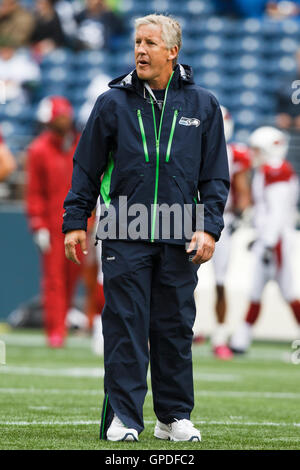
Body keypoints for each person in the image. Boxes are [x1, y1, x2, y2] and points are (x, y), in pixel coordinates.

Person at [63, 14, 229, 442]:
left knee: (174, 329)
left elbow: (214, 177)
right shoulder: (111, 102)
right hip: (123, 228)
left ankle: (172, 417)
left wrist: (209, 228)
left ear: (172, 51)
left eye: (151, 43)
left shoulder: (203, 105)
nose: (140, 49)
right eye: (138, 41)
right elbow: (85, 167)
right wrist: (74, 221)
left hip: (180, 231)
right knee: (125, 324)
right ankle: (125, 417)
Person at [230, 126, 300, 354]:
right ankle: (241, 340)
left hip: (276, 240)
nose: (254, 153)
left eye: (258, 149)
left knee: (287, 292)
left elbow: (277, 213)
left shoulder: (277, 170)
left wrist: (268, 243)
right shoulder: (267, 170)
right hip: (269, 239)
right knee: (257, 292)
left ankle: (241, 339)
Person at [26, 96, 82, 348]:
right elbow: (34, 191)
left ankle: (68, 322)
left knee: (73, 277)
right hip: (52, 224)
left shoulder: (79, 145)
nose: (65, 119)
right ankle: (56, 330)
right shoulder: (38, 150)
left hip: (80, 222)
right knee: (54, 279)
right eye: (60, 116)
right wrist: (37, 223)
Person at [210, 106, 251, 360]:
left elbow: (243, 192)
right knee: (176, 279)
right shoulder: (191, 146)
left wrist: (240, 215)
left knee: (220, 281)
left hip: (221, 218)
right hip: (190, 216)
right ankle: (185, 330)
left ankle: (220, 334)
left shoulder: (235, 154)